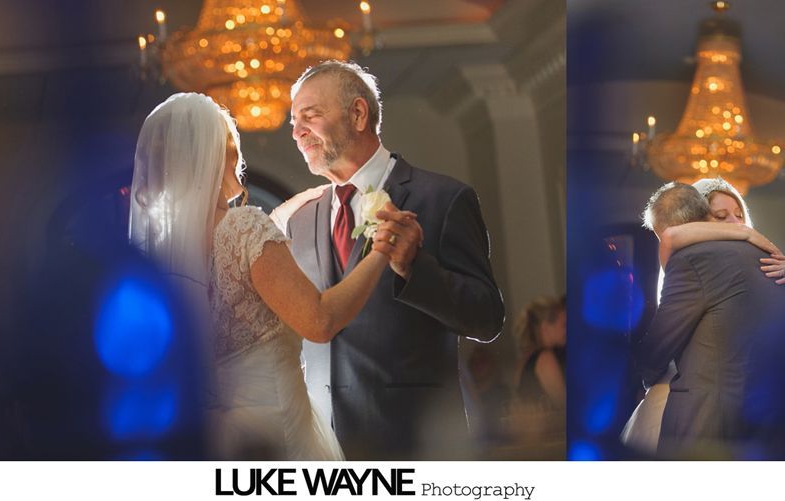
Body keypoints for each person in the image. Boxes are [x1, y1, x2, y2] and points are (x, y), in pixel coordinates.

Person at [128, 93, 402, 460]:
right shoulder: (243, 228)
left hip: (212, 439)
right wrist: (381, 251)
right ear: (213, 154)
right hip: (273, 431)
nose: (237, 152)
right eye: (228, 141)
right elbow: (319, 321)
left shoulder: (159, 251)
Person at [282, 61, 505, 459]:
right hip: (322, 453)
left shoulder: (443, 198)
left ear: (358, 113)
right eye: (293, 121)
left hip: (415, 444)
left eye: (309, 116)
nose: (297, 132)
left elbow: (487, 319)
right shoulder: (300, 221)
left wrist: (415, 269)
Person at [627, 182, 785, 457]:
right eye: (721, 217)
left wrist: (643, 371)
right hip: (771, 424)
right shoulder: (777, 262)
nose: (732, 223)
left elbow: (659, 346)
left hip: (709, 425)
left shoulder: (692, 259)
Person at [512, 296, 566, 410]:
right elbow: (564, 406)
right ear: (545, 327)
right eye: (564, 325)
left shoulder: (525, 359)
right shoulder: (545, 359)